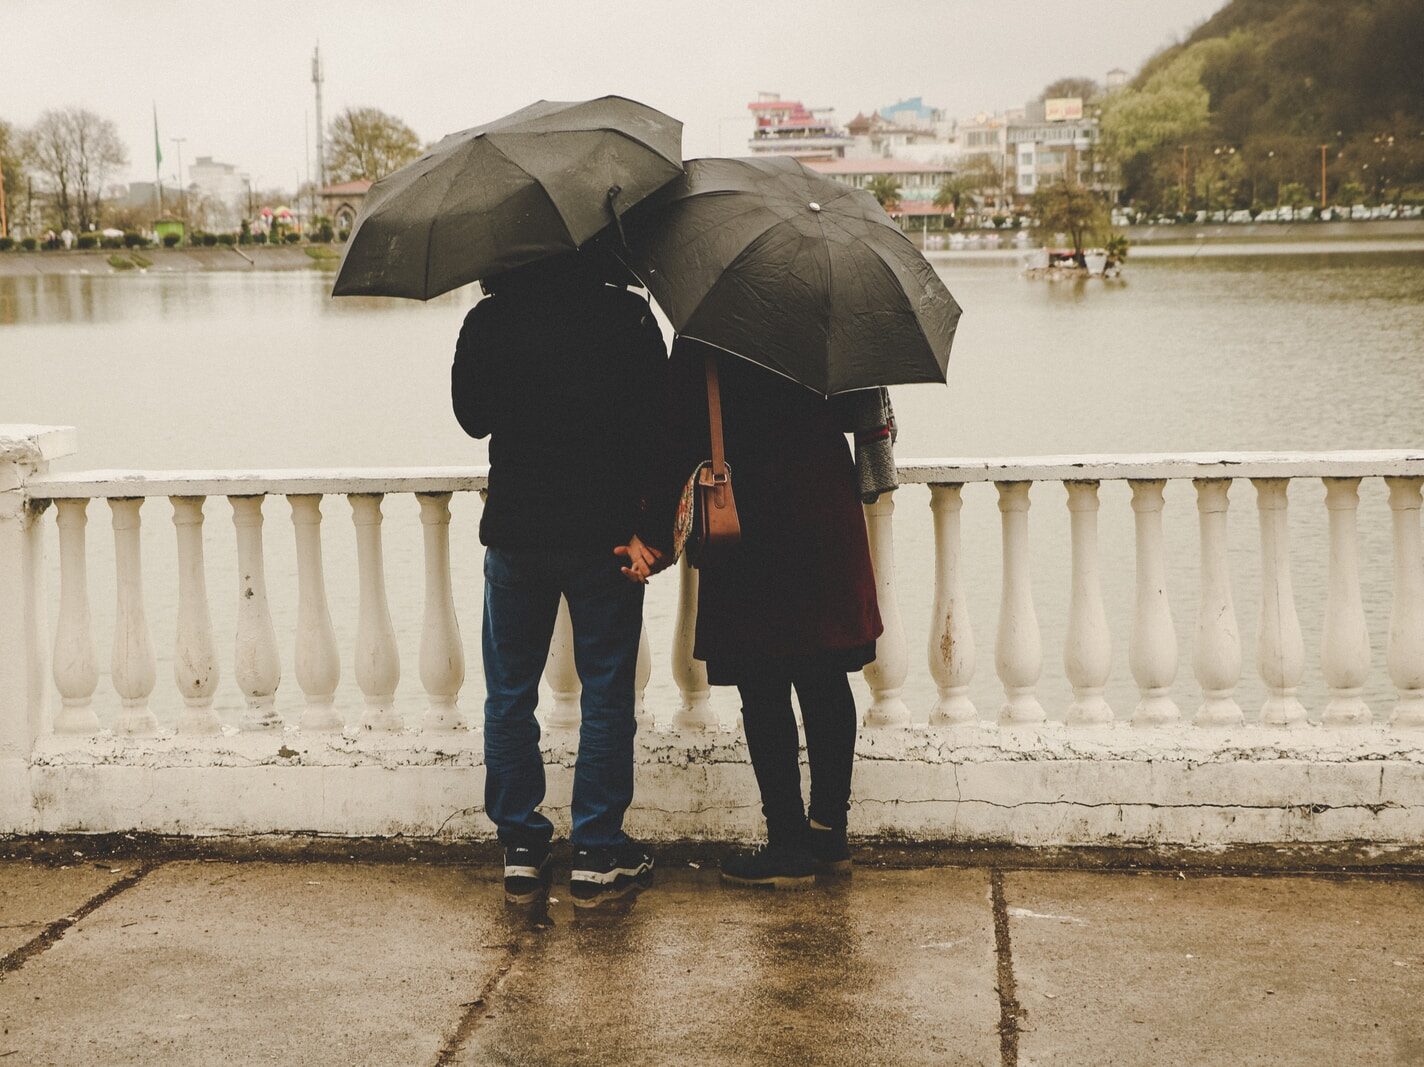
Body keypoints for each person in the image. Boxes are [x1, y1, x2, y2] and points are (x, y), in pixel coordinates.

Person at [451, 250, 666, 906]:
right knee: (606, 693)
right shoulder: (627, 316)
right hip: (605, 532)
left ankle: (521, 845)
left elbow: (471, 417)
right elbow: (660, 426)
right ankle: (599, 851)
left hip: (518, 529)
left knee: (510, 693)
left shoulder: (490, 319)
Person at [637, 338, 884, 889]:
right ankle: (828, 834)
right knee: (824, 679)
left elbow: (675, 431)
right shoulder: (824, 312)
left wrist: (652, 533)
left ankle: (788, 844)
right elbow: (856, 408)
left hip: (749, 513)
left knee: (764, 685)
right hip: (822, 505)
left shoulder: (709, 330)